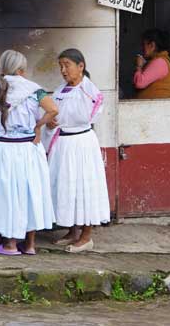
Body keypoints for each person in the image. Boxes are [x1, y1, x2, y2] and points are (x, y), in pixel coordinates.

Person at [0, 49, 58, 256]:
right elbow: (53, 110)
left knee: (7, 195)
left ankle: (10, 245)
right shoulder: (34, 89)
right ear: (21, 70)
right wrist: (37, 126)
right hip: (28, 148)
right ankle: (30, 245)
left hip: (2, 149)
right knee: (29, 193)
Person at [48, 48, 111, 253]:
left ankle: (86, 236)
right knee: (67, 186)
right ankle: (72, 231)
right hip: (63, 144)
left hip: (81, 144)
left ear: (80, 66)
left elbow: (89, 114)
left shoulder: (88, 90)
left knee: (84, 187)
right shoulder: (60, 91)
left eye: (67, 65)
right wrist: (50, 123)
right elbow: (53, 114)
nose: (63, 70)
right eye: (61, 66)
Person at [133, 29, 170, 99]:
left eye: (144, 44)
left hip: (155, 107)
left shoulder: (160, 62)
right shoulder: (159, 60)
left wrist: (139, 66)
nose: (142, 48)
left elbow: (139, 83)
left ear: (152, 45)